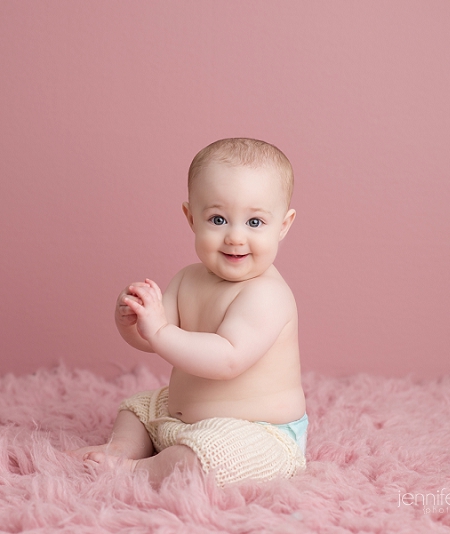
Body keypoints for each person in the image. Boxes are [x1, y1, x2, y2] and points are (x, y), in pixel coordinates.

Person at [70, 138, 307, 487]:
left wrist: (160, 332)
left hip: (258, 434)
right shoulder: (186, 279)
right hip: (183, 421)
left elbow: (228, 358)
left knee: (210, 457)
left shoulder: (267, 294)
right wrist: (135, 320)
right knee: (140, 405)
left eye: (255, 222)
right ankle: (121, 448)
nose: (235, 237)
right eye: (218, 219)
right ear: (191, 218)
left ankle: (139, 471)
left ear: (283, 226)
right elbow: (153, 339)